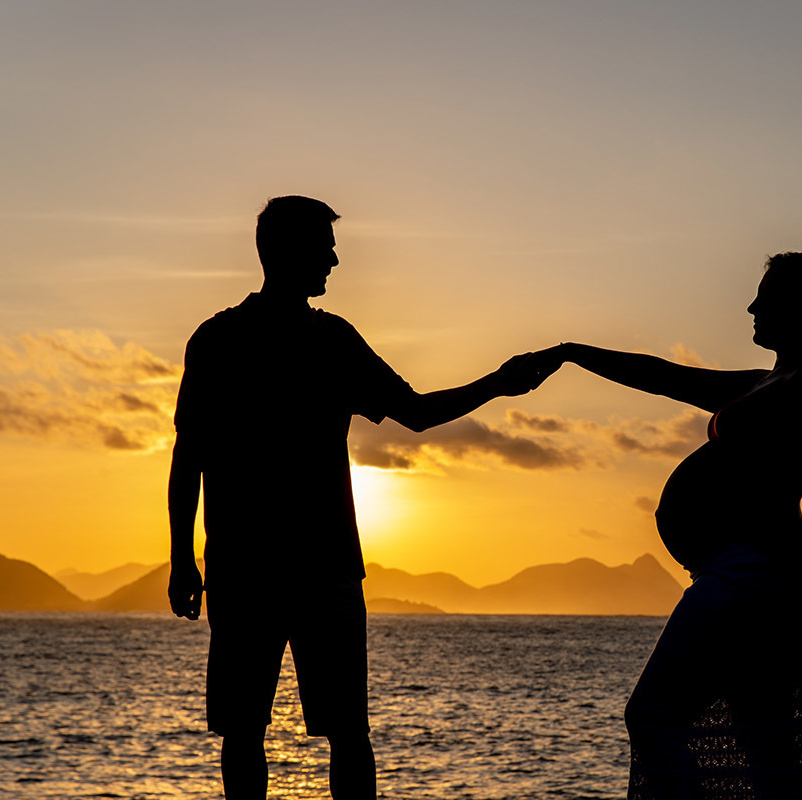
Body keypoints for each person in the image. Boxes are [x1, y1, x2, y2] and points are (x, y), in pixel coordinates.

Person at [166, 195, 553, 800]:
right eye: (325, 247)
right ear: (287, 252)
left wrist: (499, 385)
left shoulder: (285, 339)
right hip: (278, 570)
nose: (335, 260)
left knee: (313, 730)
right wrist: (181, 559)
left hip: (292, 569)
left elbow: (416, 413)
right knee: (281, 730)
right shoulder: (234, 340)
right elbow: (190, 454)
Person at [535, 253, 802, 798]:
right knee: (760, 737)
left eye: (765, 296)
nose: (751, 306)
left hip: (756, 571)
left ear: (798, 307)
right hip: (742, 568)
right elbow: (662, 376)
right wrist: (572, 353)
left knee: (655, 714)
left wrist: (799, 532)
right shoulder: (766, 382)